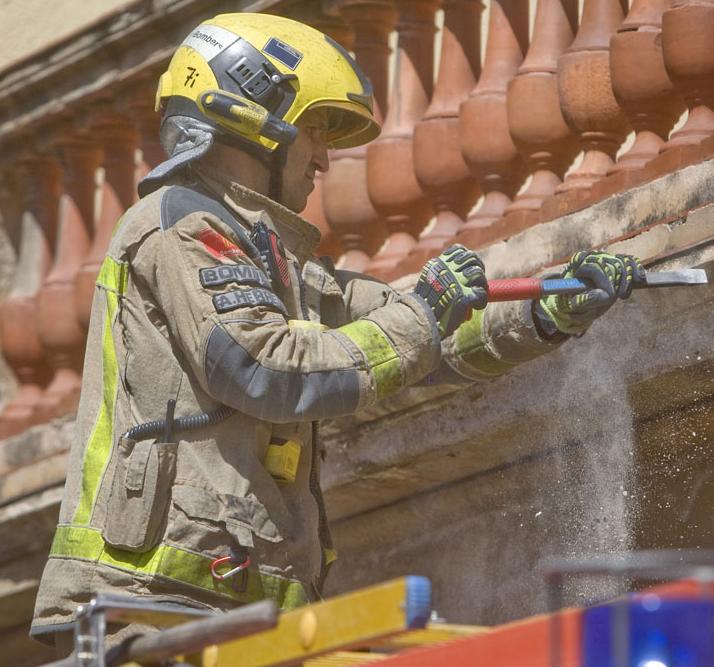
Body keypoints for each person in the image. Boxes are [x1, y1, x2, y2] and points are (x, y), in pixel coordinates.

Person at [30, 12, 645, 655]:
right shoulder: (184, 227)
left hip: (224, 608)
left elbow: (407, 332)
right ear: (252, 118)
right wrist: (425, 316)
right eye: (312, 130)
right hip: (153, 601)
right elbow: (262, 367)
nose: (323, 156)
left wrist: (548, 310)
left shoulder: (272, 258)